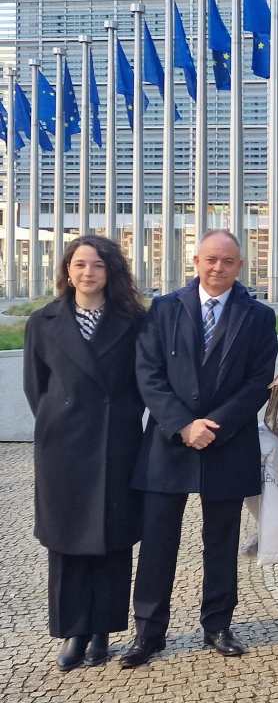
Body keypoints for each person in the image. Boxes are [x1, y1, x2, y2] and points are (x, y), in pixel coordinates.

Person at [123, 229, 277, 668]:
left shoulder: (259, 316)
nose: (218, 268)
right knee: (157, 541)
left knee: (221, 541)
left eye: (227, 261)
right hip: (170, 441)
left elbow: (258, 382)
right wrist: (184, 425)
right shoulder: (166, 308)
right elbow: (148, 373)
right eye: (211, 259)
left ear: (240, 266)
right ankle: (149, 632)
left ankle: (218, 625)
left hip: (227, 441)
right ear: (196, 261)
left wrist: (216, 426)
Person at [23, 236, 146, 671]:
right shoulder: (44, 321)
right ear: (67, 270)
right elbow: (36, 387)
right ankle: (74, 631)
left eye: (97, 265)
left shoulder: (132, 320)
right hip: (64, 449)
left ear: (111, 271)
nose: (87, 273)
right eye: (79, 265)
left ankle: (103, 631)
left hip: (116, 443)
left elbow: (140, 383)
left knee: (112, 539)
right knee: (67, 541)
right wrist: (59, 423)